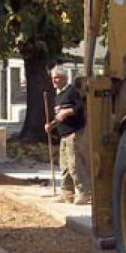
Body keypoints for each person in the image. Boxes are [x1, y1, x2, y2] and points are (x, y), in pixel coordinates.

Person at [45, 65, 90, 206]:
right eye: (53, 78)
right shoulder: (58, 95)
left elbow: (81, 107)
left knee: (74, 164)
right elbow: (58, 115)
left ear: (64, 78)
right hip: (63, 134)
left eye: (57, 78)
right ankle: (67, 194)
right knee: (64, 166)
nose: (54, 81)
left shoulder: (72, 91)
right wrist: (51, 125)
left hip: (74, 132)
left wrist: (68, 111)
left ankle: (84, 193)